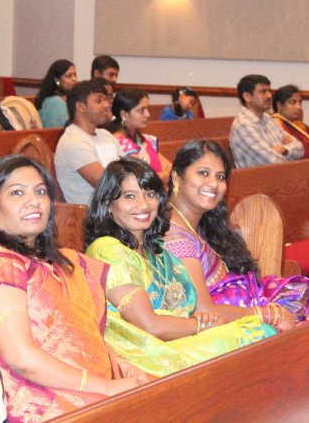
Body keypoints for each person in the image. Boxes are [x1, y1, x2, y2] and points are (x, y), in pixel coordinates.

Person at [0, 155, 147, 422]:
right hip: (21, 398)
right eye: (17, 193)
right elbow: (20, 358)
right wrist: (106, 387)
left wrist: (122, 365)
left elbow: (80, 332)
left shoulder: (58, 262)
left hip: (69, 385)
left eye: (40, 191)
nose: (34, 201)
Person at [84, 158, 277, 377]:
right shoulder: (107, 249)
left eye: (150, 194)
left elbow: (191, 308)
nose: (143, 205)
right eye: (130, 196)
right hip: (143, 354)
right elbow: (150, 326)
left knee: (262, 334)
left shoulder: (156, 251)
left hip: (175, 339)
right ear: (108, 205)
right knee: (258, 335)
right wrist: (201, 326)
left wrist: (203, 321)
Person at [164, 139, 309, 329]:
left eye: (220, 177)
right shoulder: (175, 236)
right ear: (177, 178)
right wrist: (271, 314)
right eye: (203, 173)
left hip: (242, 310)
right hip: (223, 329)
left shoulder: (198, 225)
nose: (214, 183)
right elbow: (203, 312)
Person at [54, 79, 122, 204]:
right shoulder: (73, 141)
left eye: (106, 100)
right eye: (99, 101)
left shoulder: (105, 134)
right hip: (92, 212)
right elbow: (106, 184)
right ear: (81, 107)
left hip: (117, 206)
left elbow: (129, 167)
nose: (106, 105)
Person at [229, 74, 303, 168]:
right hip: (259, 177)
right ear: (247, 97)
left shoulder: (267, 118)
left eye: (269, 91)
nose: (269, 96)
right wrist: (287, 150)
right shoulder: (243, 126)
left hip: (278, 174)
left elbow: (300, 148)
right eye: (263, 92)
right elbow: (274, 162)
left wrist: (284, 149)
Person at [108, 88, 172, 183]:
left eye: (147, 109)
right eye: (141, 110)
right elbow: (146, 179)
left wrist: (163, 175)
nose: (148, 114)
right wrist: (165, 174)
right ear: (124, 115)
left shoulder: (144, 140)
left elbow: (171, 168)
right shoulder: (119, 142)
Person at [271, 85, 309, 159]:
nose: (298, 107)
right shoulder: (274, 125)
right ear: (279, 105)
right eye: (293, 102)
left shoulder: (302, 126)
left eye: (300, 103)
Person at [35, 59, 78, 129]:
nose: (74, 79)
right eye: (69, 76)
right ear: (57, 80)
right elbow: (59, 131)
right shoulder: (54, 102)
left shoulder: (72, 97)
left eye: (75, 75)